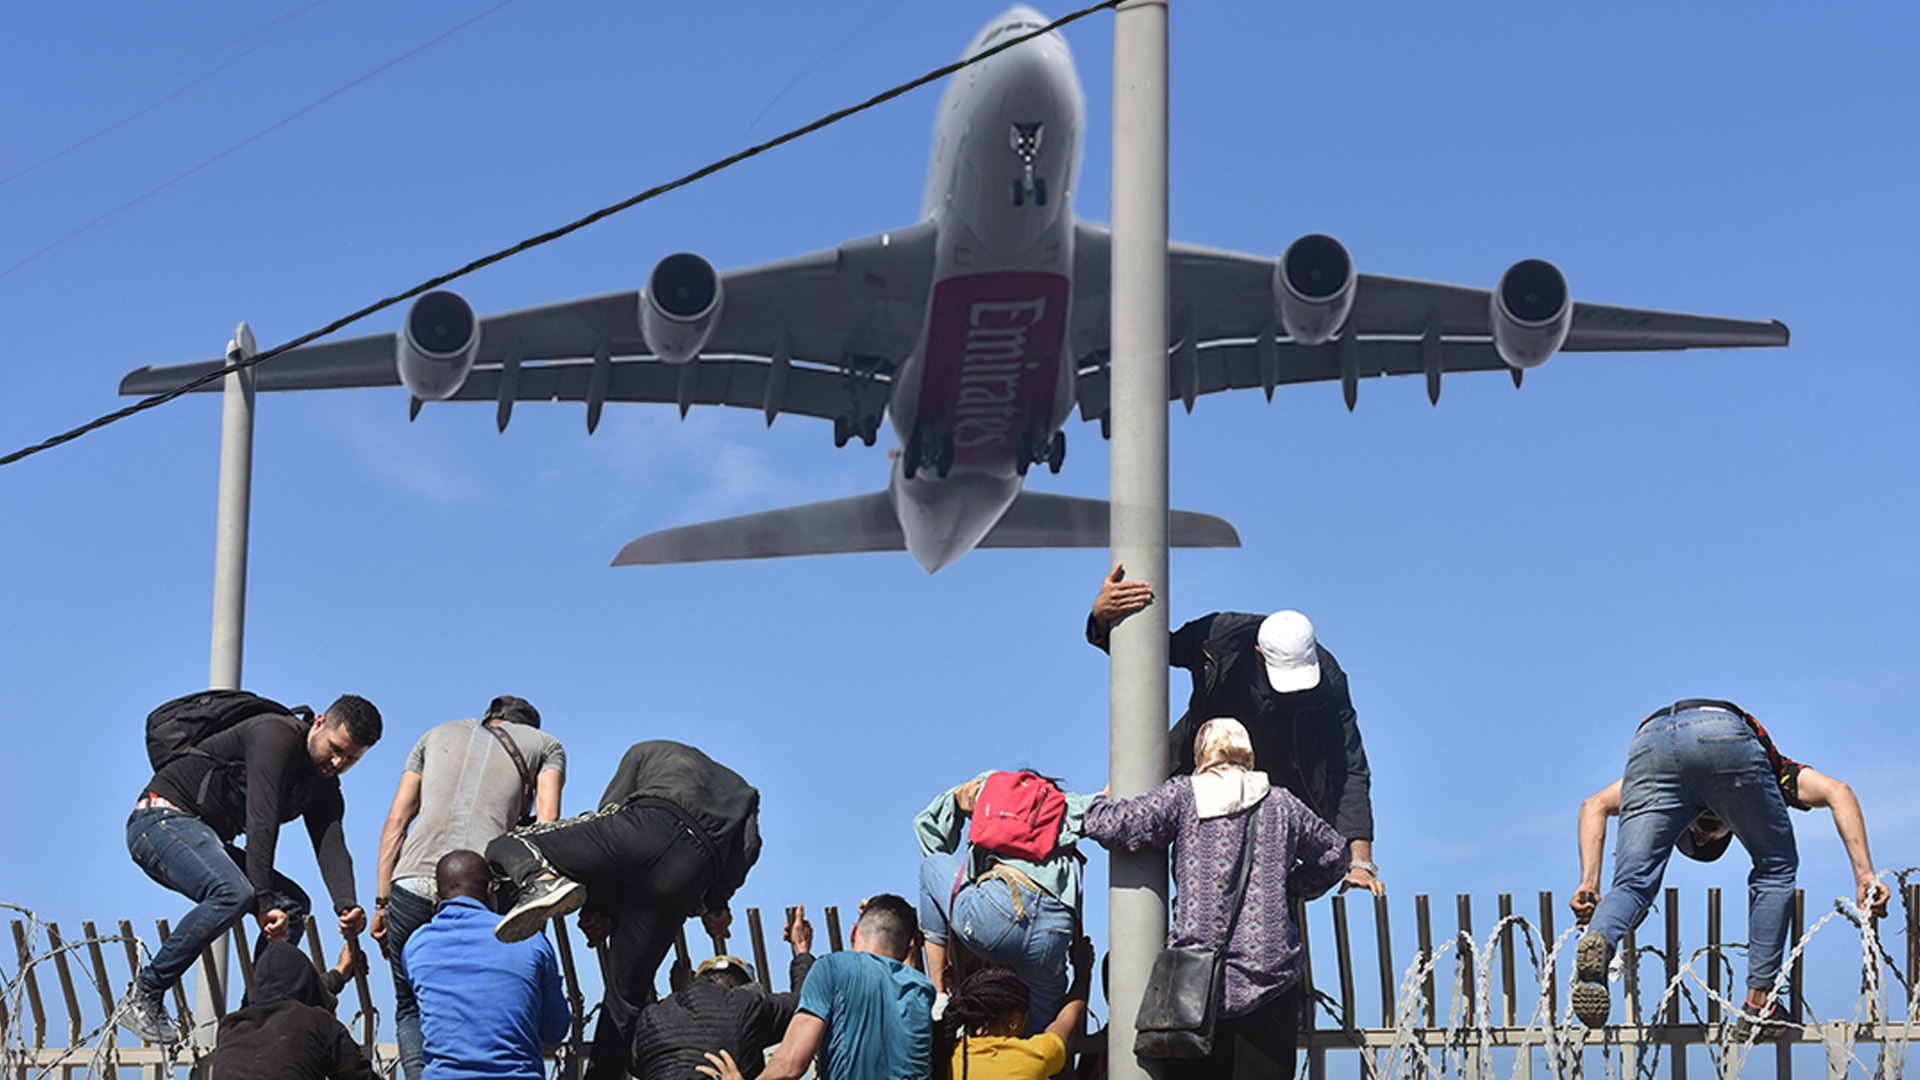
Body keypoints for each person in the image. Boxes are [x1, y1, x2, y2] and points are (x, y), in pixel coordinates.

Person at [1568, 698, 1888, 1029]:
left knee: (1632, 885)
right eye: (1696, 832)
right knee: (1774, 865)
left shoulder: (1774, 776)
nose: (1702, 836)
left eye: (1707, 833)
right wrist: (1864, 875)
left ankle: (1601, 938)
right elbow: (1839, 791)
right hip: (1719, 734)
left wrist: (1590, 882)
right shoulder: (1775, 774)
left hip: (1651, 740)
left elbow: (1594, 805)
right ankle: (1759, 1005)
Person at [1087, 566, 1381, 896]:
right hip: (1202, 765)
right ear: (1259, 654)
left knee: (1266, 899)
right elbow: (1150, 653)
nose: (1295, 693)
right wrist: (1103, 619)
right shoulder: (1219, 639)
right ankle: (1144, 945)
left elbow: (1349, 765)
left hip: (1275, 789)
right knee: (1177, 859)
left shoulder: (1328, 680)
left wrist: (1361, 862)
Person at [1082, 718, 1349, 1080]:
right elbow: (1335, 854)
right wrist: (1288, 887)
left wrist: (1101, 801)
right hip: (1272, 978)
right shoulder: (1282, 803)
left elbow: (1114, 826)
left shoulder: (1184, 795)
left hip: (1197, 980)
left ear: (1202, 754)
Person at [485, 740, 761, 1080]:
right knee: (624, 997)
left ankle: (538, 879)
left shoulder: (647, 750)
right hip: (693, 867)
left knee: (509, 843)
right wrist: (716, 904)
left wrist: (596, 909)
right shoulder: (744, 792)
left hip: (647, 822)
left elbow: (610, 812)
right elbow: (747, 848)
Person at [120, 694, 382, 1043]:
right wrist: (261, 902)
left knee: (293, 905)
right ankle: (144, 992)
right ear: (319, 722)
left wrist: (348, 904)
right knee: (235, 893)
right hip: (160, 819)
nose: (337, 761)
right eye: (335, 748)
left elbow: (331, 844)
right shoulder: (275, 735)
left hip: (204, 836)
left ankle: (255, 1013)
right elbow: (262, 821)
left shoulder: (323, 786)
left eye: (351, 759)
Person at [372, 695, 567, 1080]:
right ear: (527, 727)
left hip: (410, 882)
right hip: (481, 883)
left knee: (410, 1006)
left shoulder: (434, 735)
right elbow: (548, 828)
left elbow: (396, 821)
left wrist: (382, 902)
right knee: (501, 984)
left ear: (491, 717)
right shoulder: (546, 746)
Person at [914, 772, 1094, 1031]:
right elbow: (1109, 798)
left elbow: (927, 828)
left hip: (999, 911)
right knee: (1039, 1039)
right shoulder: (1066, 804)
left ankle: (939, 995)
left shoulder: (991, 787)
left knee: (931, 867)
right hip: (1053, 930)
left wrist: (955, 802)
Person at [699, 895, 932, 1080]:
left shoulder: (832, 967)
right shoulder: (923, 990)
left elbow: (791, 1065)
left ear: (852, 932)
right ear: (907, 952)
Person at [403, 850, 570, 1080]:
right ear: (490, 889)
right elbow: (556, 1029)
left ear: (437, 896)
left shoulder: (416, 946)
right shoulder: (527, 937)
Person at [630, 906, 818, 1080]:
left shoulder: (650, 1017)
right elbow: (806, 1003)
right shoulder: (748, 1004)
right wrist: (801, 950)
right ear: (743, 986)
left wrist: (680, 994)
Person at [208, 939, 377, 1080]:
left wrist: (339, 974)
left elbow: (288, 991)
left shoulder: (230, 1027)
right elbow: (358, 1075)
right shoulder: (317, 1022)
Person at [934, 938, 1093, 1080]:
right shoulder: (1033, 1058)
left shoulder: (947, 1052)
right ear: (1015, 1019)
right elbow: (1067, 1018)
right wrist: (1083, 971)